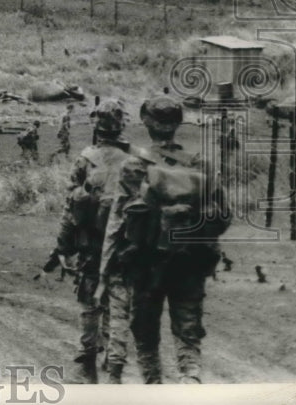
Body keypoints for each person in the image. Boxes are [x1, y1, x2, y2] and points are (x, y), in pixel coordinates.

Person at [100, 95, 229, 384]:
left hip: (145, 264)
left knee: (145, 334)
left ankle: (154, 385)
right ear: (178, 123)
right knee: (188, 330)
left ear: (146, 122)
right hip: (190, 263)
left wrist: (106, 269)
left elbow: (118, 221)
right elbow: (223, 216)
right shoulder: (201, 165)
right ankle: (190, 377)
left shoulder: (133, 167)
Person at [48, 99, 130, 383]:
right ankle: (115, 359)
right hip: (125, 244)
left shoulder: (86, 158)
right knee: (119, 303)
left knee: (89, 300)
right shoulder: (135, 161)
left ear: (97, 126)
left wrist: (62, 245)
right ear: (121, 126)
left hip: (92, 243)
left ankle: (87, 355)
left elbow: (71, 206)